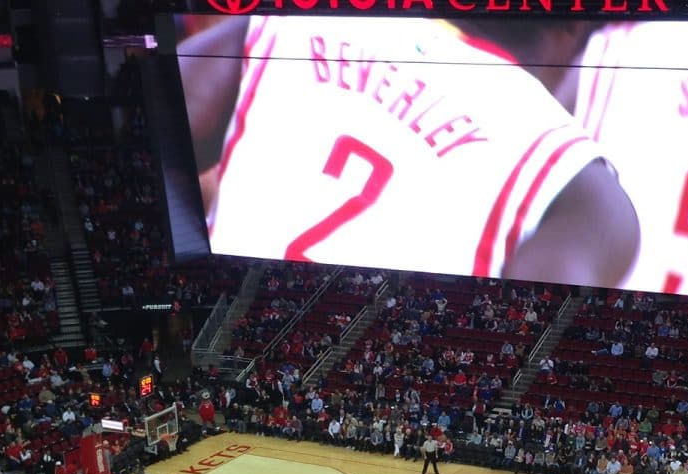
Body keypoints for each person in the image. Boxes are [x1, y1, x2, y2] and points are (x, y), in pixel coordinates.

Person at [182, 17, 639, 285]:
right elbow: (536, 325)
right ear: (574, 28)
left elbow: (137, 146)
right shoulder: (584, 185)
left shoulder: (290, 26)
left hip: (235, 341)